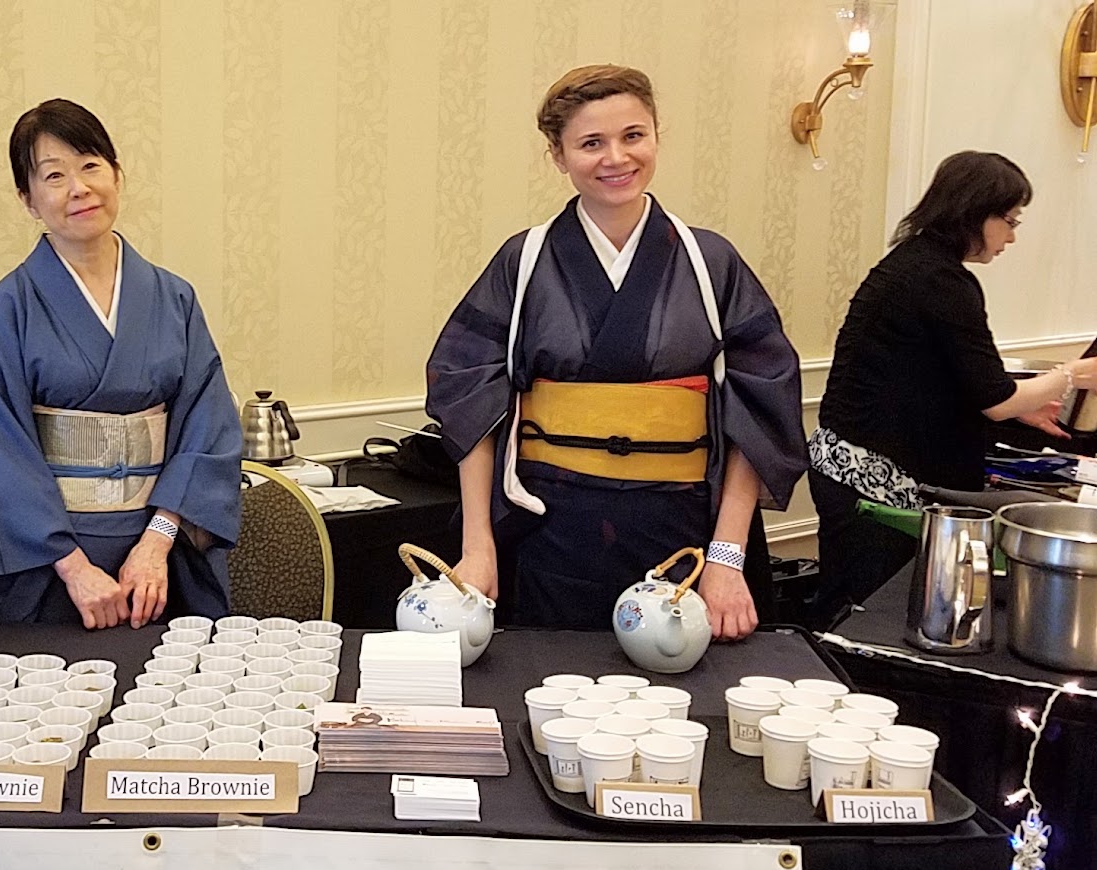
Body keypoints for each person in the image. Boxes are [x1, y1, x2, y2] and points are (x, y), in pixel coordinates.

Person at [426, 65, 807, 640]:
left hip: (685, 533)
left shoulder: (711, 263)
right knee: (550, 688)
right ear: (557, 155)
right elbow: (470, 398)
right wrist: (478, 546)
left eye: (633, 135)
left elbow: (760, 406)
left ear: (656, 135)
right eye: (590, 143)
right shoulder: (523, 263)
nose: (616, 158)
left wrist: (727, 559)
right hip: (549, 525)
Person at [0, 99, 241, 629]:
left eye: (90, 165)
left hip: (158, 564)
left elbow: (208, 427)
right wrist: (73, 567)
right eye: (53, 176)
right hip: (47, 566)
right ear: (28, 200)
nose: (78, 188)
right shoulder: (8, 307)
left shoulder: (173, 298)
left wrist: (158, 542)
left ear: (116, 175)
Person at [810, 151, 1097, 611]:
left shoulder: (914, 263)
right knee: (864, 613)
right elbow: (996, 399)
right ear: (973, 211)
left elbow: (945, 374)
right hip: (875, 478)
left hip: (849, 464)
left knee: (851, 601)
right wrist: (1072, 374)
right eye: (1009, 220)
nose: (1012, 237)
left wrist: (1027, 402)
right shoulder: (941, 280)